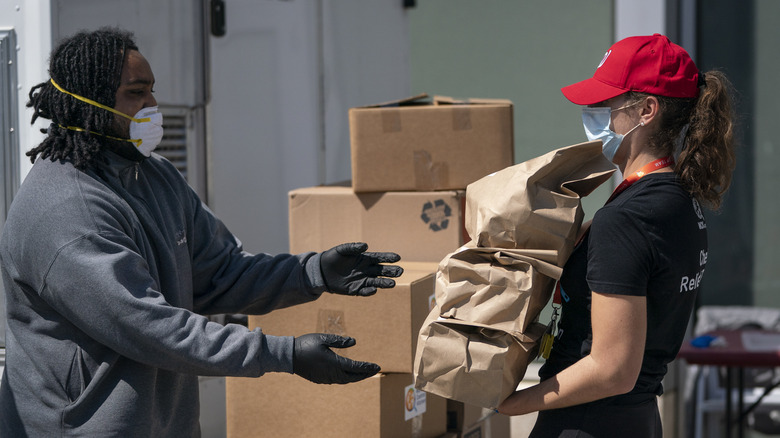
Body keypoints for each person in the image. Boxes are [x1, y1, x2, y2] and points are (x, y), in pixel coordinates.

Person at [0, 27, 404, 437]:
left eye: (152, 90)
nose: (153, 104)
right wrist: (285, 354)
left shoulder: (155, 176)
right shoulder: (65, 211)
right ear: (88, 102)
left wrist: (311, 273)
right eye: (137, 92)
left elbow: (218, 274)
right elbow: (149, 327)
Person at [497, 34, 736, 437]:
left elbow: (612, 370)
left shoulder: (628, 217)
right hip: (637, 419)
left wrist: (512, 402)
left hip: (588, 421)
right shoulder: (677, 199)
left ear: (646, 110)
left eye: (604, 105)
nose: (593, 116)